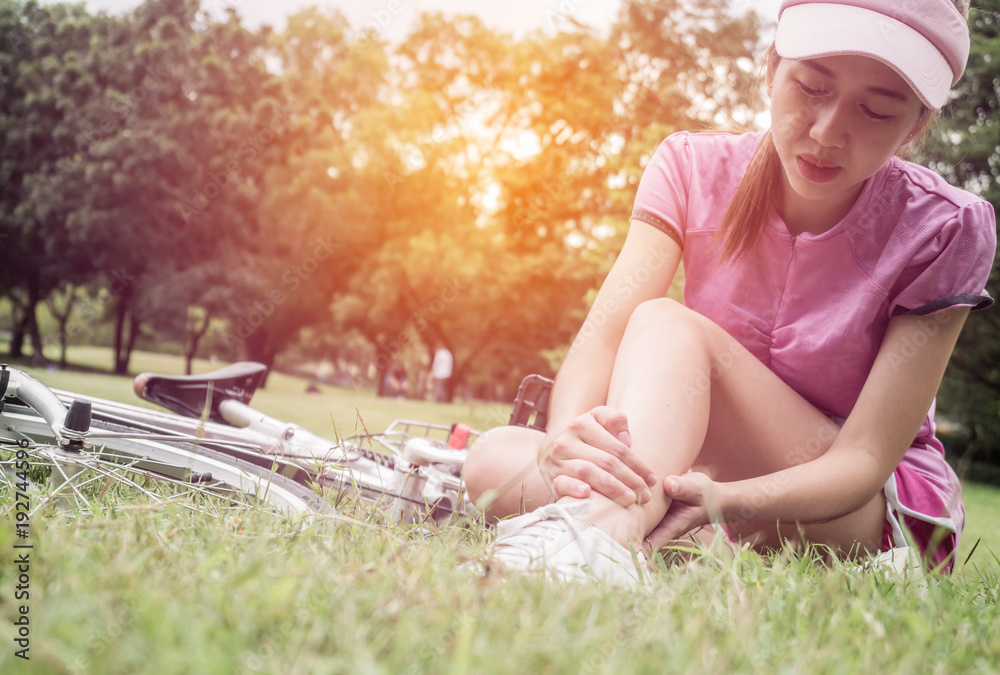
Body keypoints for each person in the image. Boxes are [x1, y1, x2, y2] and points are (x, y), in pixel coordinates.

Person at [462, 0, 995, 585]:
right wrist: (567, 441)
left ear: (914, 126)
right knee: (493, 457)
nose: (826, 133)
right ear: (771, 70)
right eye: (812, 88)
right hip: (701, 472)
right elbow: (604, 338)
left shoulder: (947, 226)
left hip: (858, 507)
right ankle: (610, 524)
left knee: (669, 326)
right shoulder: (689, 165)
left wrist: (731, 503)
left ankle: (596, 542)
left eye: (874, 111)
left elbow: (863, 460)